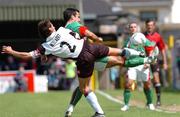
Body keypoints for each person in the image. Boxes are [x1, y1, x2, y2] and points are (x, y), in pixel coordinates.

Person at [1, 19, 152, 117]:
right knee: (119, 52)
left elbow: (26, 55)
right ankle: (143, 56)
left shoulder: (46, 46)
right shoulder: (62, 30)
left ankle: (99, 113)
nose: (53, 25)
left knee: (84, 88)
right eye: (51, 25)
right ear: (51, 28)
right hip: (90, 47)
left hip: (83, 59)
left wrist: (11, 51)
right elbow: (75, 35)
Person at [63, 8, 157, 117]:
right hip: (90, 56)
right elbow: (87, 32)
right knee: (119, 60)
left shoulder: (64, 29)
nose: (79, 19)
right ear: (72, 17)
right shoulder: (74, 25)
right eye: (78, 16)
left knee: (83, 87)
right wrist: (97, 38)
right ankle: (145, 58)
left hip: (82, 60)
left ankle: (70, 109)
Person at [121, 22, 156, 111]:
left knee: (147, 85)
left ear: (137, 28)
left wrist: (148, 61)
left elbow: (151, 46)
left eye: (134, 27)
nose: (133, 28)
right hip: (132, 65)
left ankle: (150, 103)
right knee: (128, 84)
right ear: (129, 29)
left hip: (142, 64)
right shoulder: (127, 41)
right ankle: (126, 105)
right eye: (131, 27)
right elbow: (123, 53)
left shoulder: (141, 37)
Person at [144, 19, 168, 106]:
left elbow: (162, 49)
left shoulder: (158, 36)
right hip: (145, 60)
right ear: (146, 26)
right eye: (148, 25)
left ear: (154, 26)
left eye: (151, 25)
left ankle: (158, 100)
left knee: (156, 79)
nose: (149, 27)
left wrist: (165, 62)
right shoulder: (142, 36)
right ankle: (149, 101)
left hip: (154, 60)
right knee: (147, 82)